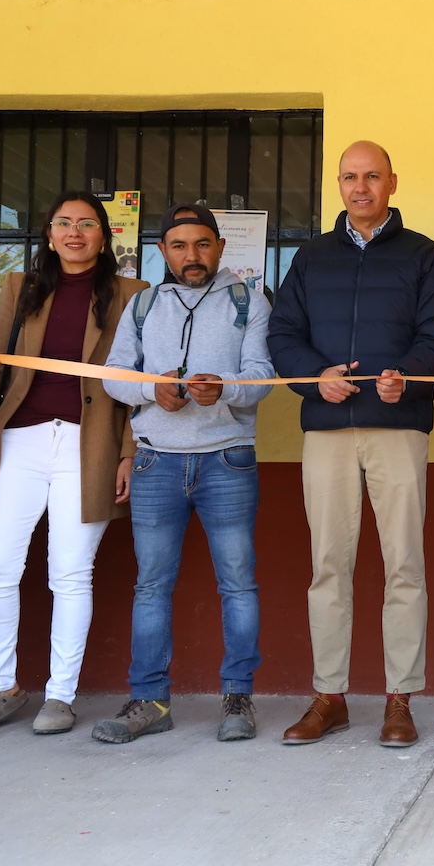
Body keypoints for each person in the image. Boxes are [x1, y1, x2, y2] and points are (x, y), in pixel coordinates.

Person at [268, 141, 434, 748]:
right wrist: (313, 378)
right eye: (350, 177)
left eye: (372, 176)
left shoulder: (423, 255)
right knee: (328, 566)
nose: (360, 187)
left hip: (399, 428)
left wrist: (408, 375)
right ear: (339, 185)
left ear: (392, 182)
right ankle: (330, 696)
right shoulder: (312, 257)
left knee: (404, 565)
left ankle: (400, 699)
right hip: (327, 429)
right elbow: (283, 334)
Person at [0, 191, 147, 737]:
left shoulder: (133, 294)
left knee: (69, 571)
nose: (74, 232)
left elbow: (140, 381)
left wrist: (129, 451)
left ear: (104, 236)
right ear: (48, 233)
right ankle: (0, 688)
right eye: (63, 222)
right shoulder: (20, 287)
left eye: (86, 224)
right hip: (18, 440)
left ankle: (60, 696)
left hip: (91, 444)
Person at [93, 204, 273, 744]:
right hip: (155, 462)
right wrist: (152, 390)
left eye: (201, 244)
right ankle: (149, 700)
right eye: (179, 246)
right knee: (151, 585)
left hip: (228, 459)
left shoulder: (249, 300)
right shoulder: (143, 304)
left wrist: (227, 389)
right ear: (163, 252)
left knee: (237, 583)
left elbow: (263, 377)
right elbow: (113, 376)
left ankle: (238, 697)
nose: (191, 256)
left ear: (220, 247)